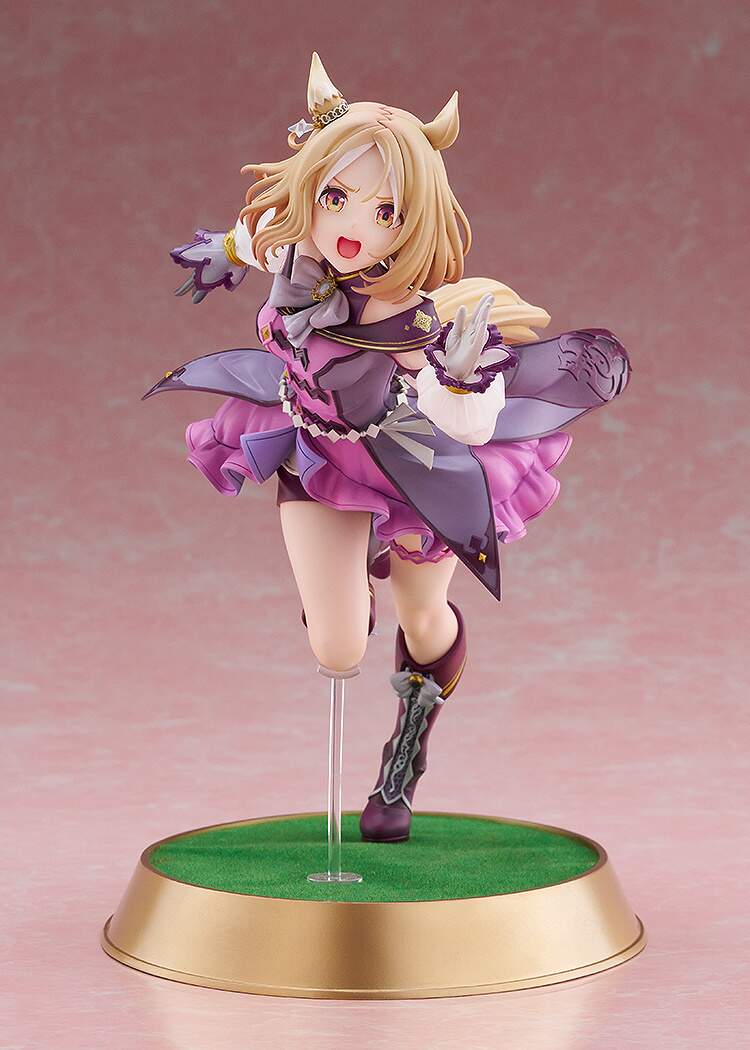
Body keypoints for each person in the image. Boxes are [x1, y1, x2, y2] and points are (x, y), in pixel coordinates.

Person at [146, 53, 630, 843]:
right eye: (335, 197)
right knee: (336, 645)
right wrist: (224, 252)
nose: (351, 227)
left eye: (386, 212)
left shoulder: (417, 320)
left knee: (423, 612)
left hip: (411, 464)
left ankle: (408, 739)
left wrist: (462, 378)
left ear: (414, 220)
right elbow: (259, 236)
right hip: (316, 452)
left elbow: (465, 425)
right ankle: (343, 594)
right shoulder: (296, 254)